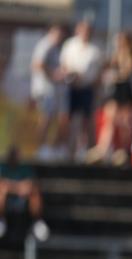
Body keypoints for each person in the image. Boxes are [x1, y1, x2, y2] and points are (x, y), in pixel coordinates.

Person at [87, 31, 132, 165]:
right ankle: (102, 148)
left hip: (125, 90)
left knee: (124, 123)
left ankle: (121, 150)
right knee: (109, 121)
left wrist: (115, 74)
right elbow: (106, 68)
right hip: (115, 90)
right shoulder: (115, 55)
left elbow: (127, 72)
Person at [59, 20, 102, 160]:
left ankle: (89, 152)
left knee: (88, 120)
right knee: (71, 121)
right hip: (71, 88)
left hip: (87, 89)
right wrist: (71, 75)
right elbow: (63, 65)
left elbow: (99, 73)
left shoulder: (95, 49)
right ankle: (69, 151)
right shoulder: (70, 45)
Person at [30, 24, 66, 160]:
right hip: (44, 90)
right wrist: (53, 75)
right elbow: (38, 64)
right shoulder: (45, 45)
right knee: (45, 119)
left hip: (52, 90)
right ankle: (41, 148)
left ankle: (48, 147)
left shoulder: (56, 47)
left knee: (52, 119)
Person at [0, 147, 50, 242]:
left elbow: (31, 184)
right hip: (7, 202)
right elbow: (2, 184)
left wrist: (11, 187)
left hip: (23, 201)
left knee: (34, 192)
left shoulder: (25, 168)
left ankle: (37, 222)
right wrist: (18, 188)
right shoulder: (2, 167)